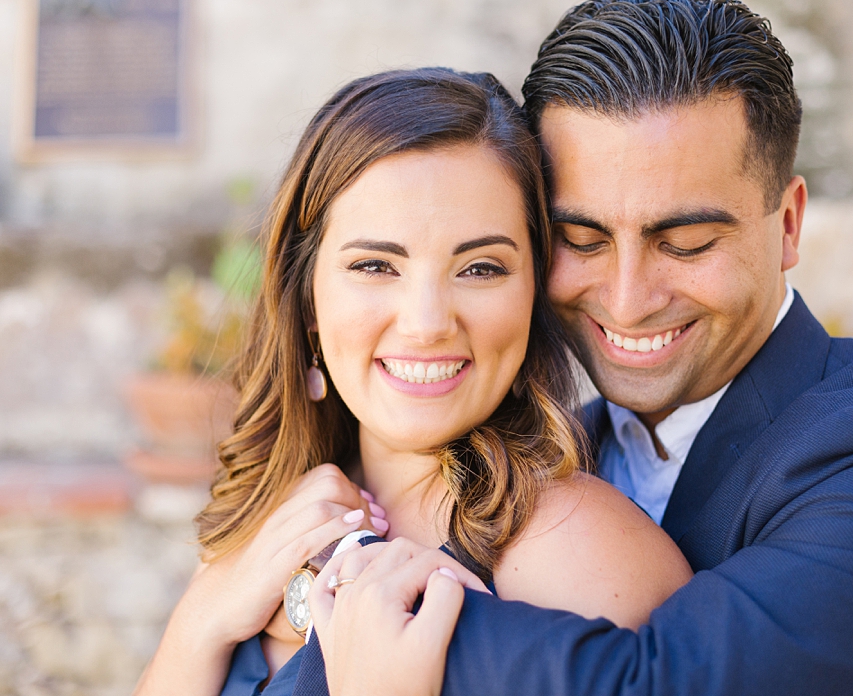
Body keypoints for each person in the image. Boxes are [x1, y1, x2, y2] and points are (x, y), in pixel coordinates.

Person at [308, 0, 853, 696]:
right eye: (582, 239)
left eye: (686, 242)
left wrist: (337, 591)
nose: (628, 299)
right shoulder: (549, 457)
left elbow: (665, 685)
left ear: (788, 224)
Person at [132, 67, 692, 696]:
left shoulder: (582, 556)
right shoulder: (274, 517)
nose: (427, 325)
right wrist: (200, 623)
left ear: (533, 296)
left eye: (480, 268)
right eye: (375, 265)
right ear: (308, 304)